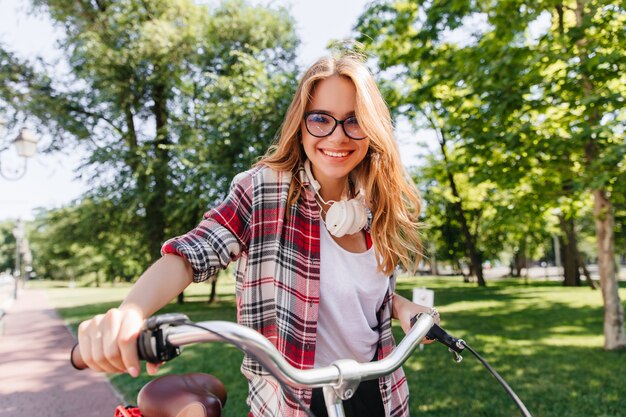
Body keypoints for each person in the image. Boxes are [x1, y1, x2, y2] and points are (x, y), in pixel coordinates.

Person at [77, 52, 440, 417]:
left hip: (380, 395)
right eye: (320, 119)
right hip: (292, 402)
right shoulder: (264, 190)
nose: (337, 135)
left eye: (354, 121)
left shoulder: (372, 210)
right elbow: (192, 255)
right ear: (301, 124)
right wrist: (130, 312)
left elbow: (361, 298)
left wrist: (401, 306)